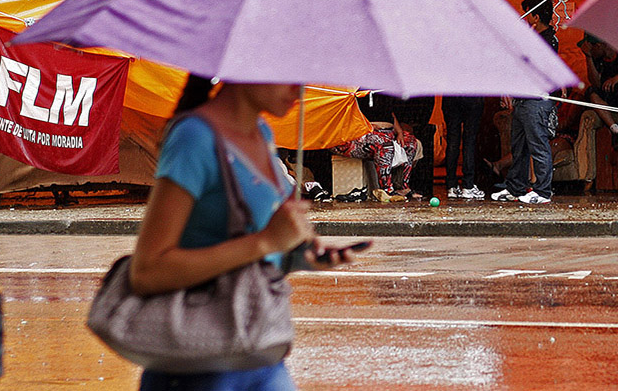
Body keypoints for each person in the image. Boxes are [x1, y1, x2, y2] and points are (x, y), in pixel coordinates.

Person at [129, 75, 360, 391]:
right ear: (245, 67)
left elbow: (249, 248)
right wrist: (265, 241)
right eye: (287, 74)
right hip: (198, 363)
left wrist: (295, 256)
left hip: (260, 351)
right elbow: (147, 271)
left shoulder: (262, 133)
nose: (300, 89)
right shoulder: (194, 138)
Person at [491, 0, 558, 204]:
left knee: (538, 145)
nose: (526, 16)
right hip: (523, 100)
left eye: (528, 12)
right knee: (518, 147)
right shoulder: (533, 37)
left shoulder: (549, 40)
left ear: (535, 16)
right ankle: (515, 187)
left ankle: (543, 191)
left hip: (537, 101)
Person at [331, 92, 421, 202]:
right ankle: (386, 189)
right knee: (384, 144)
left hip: (386, 133)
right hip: (359, 135)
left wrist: (399, 132)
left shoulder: (383, 91)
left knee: (410, 143)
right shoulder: (353, 89)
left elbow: (389, 114)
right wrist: (364, 126)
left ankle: (402, 186)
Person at [441, 96, 485, 200]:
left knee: (452, 141)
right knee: (469, 141)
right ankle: (468, 186)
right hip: (472, 93)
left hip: (451, 94)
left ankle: (451, 186)